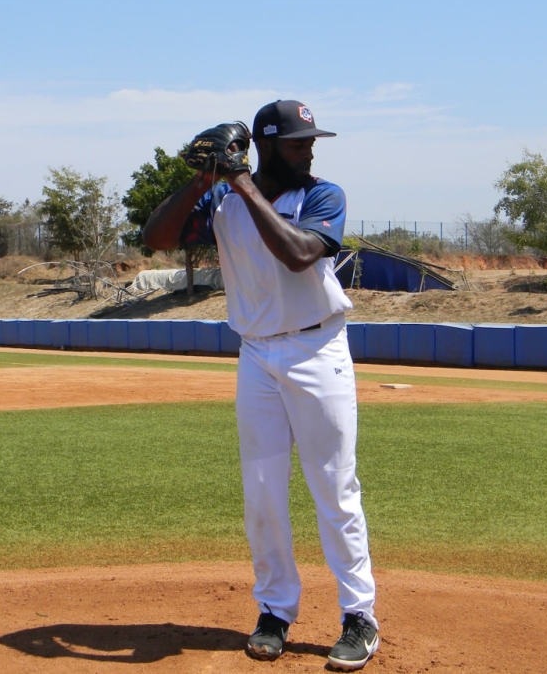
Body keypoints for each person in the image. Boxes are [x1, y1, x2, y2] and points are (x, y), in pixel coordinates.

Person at [142, 100, 379, 671]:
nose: (311, 148)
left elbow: (300, 255)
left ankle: (359, 616)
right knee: (264, 492)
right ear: (267, 145)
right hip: (256, 355)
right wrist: (203, 175)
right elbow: (156, 237)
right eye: (299, 141)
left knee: (334, 488)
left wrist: (243, 184)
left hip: (317, 349)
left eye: (310, 139)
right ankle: (275, 609)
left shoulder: (323, 195)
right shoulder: (220, 198)